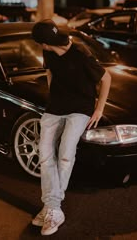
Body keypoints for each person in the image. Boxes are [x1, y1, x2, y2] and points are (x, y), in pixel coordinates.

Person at [31, 19, 111, 236]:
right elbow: (50, 71)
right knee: (45, 155)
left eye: (40, 43)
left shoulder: (81, 54)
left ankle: (52, 207)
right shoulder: (49, 53)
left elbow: (106, 78)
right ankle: (52, 208)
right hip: (54, 108)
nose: (41, 47)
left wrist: (99, 109)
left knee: (66, 153)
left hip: (80, 109)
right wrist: (52, 93)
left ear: (45, 43)